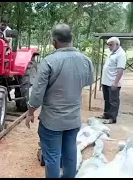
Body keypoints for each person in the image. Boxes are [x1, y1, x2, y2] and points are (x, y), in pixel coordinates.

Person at [25, 24, 94, 178]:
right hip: (73, 119)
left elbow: (37, 92)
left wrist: (31, 111)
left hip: (52, 121)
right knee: (70, 154)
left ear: (54, 41)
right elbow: (89, 81)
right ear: (72, 38)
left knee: (52, 158)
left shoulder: (50, 61)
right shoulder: (86, 61)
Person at [97, 37, 126, 124]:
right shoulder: (112, 53)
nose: (109, 47)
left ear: (117, 44)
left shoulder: (121, 54)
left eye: (111, 45)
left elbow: (120, 69)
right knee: (107, 99)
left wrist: (115, 82)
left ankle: (112, 118)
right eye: (108, 45)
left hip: (113, 82)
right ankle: (106, 114)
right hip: (106, 81)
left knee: (113, 101)